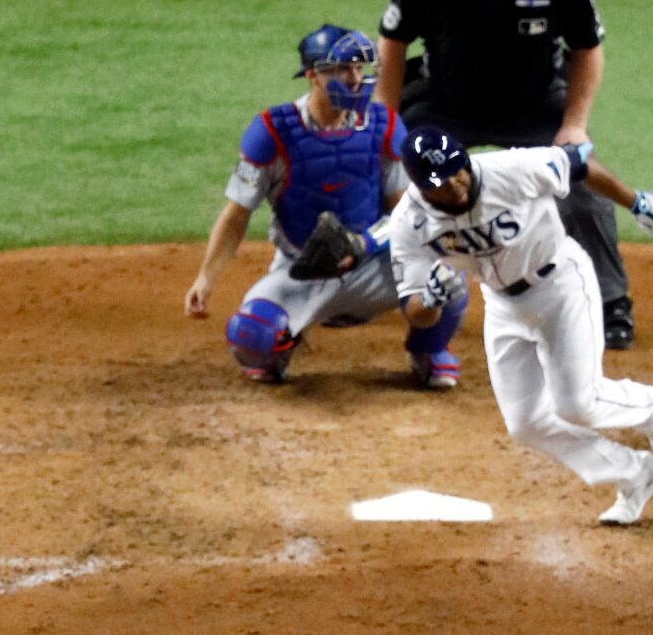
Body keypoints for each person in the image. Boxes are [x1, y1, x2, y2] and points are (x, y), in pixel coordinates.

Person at [376, 0, 638, 351]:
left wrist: (573, 125)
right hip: (445, 103)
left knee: (582, 190)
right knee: (391, 173)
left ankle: (611, 301)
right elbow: (393, 42)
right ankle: (386, 284)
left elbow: (587, 50)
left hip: (532, 105)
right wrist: (386, 119)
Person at [390, 128, 653, 527]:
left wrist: (634, 201)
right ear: (418, 185)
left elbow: (578, 163)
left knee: (577, 403)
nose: (454, 184)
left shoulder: (512, 169)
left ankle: (649, 407)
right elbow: (414, 311)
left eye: (456, 171)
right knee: (525, 423)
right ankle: (637, 474)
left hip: (560, 283)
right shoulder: (409, 223)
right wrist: (429, 300)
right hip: (501, 304)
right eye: (439, 182)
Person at [185, 27, 465, 388]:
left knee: (446, 281)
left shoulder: (384, 125)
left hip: (373, 265)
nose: (353, 79)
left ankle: (428, 350)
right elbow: (237, 213)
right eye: (340, 70)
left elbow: (407, 214)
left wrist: (363, 243)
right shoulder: (273, 132)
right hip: (303, 270)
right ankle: (283, 342)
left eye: (358, 69)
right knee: (251, 336)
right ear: (313, 75)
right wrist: (206, 278)